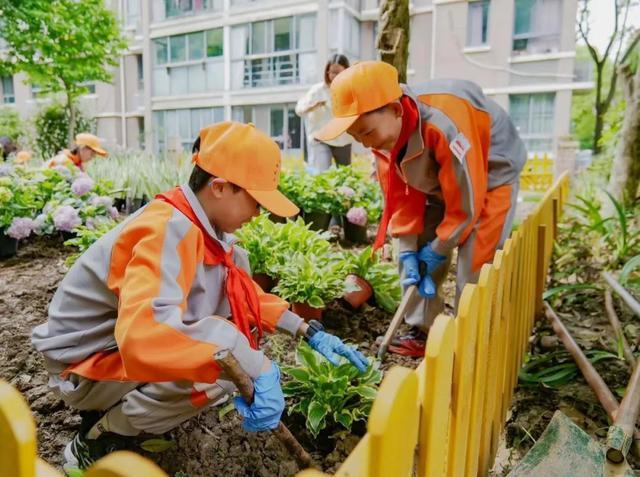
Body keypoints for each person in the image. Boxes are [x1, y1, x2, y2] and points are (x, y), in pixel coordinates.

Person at [31, 122, 368, 473]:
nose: (258, 213)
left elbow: (237, 288)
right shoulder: (166, 230)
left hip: (111, 349)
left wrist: (307, 330)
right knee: (222, 369)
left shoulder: (200, 227)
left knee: (225, 355)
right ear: (220, 187)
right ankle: (95, 440)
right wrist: (258, 366)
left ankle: (121, 415)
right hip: (83, 366)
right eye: (256, 201)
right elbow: (146, 334)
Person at [315, 61, 526, 356]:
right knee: (413, 250)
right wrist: (408, 251)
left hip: (491, 167)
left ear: (396, 110)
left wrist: (439, 248)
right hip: (438, 174)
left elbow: (466, 202)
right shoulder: (384, 139)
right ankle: (422, 329)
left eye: (366, 132)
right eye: (355, 137)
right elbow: (401, 203)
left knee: (477, 258)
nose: (364, 143)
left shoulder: (444, 124)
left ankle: (476, 339)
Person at [295, 54, 352, 173]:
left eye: (339, 72)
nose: (335, 76)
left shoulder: (350, 91)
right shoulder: (317, 90)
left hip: (343, 139)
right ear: (327, 72)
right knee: (321, 175)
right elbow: (299, 110)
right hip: (321, 139)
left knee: (345, 176)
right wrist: (311, 107)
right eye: (332, 72)